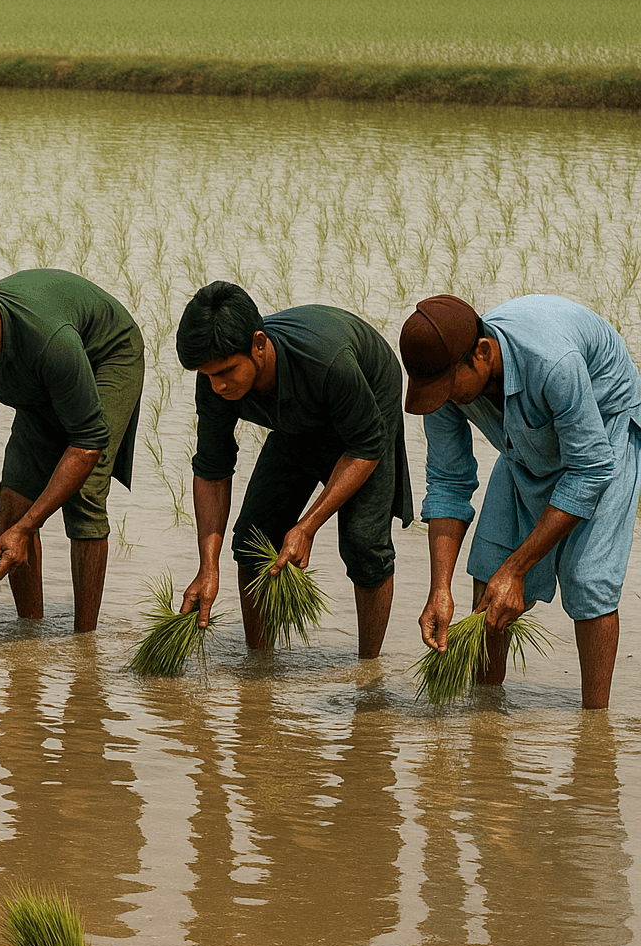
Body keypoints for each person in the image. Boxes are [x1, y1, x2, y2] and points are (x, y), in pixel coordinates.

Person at [403, 293, 641, 709]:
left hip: (604, 432)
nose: (442, 398)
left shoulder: (552, 362)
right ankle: (486, 712)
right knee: (488, 574)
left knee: (588, 581)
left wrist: (517, 569)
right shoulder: (441, 387)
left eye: (447, 386)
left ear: (482, 353)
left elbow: (589, 468)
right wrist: (439, 588)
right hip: (527, 443)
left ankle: (594, 726)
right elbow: (447, 481)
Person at [176, 281, 412, 658]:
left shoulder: (326, 362)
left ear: (258, 344)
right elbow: (212, 469)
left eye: (226, 371)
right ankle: (259, 664)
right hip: (297, 418)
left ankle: (368, 667)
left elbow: (366, 446)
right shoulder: (214, 381)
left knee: (363, 542)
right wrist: (208, 567)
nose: (217, 384)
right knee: (252, 540)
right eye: (207, 374)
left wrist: (306, 525)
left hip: (365, 406)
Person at [0, 267, 144, 633]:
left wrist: (26, 529)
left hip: (106, 355)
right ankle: (29, 633)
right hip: (40, 377)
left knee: (84, 492)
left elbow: (87, 442)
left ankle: (84, 643)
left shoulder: (49, 341)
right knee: (13, 502)